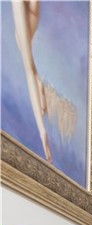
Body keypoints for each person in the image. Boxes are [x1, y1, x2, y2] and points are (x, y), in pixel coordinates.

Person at [11, 0, 51, 162]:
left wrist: (42, 132)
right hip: (34, 8)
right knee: (30, 65)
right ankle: (39, 83)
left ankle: (42, 131)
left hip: (23, 6)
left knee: (29, 68)